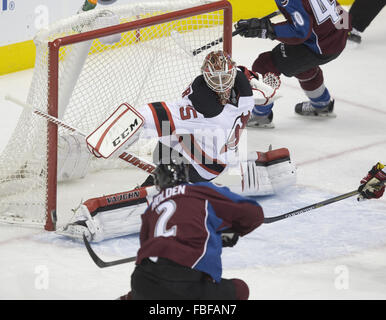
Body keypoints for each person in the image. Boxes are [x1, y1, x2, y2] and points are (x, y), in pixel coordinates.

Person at [57, 50, 296, 242]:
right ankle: (180, 181)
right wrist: (262, 82)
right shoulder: (247, 89)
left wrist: (110, 138)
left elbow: (151, 114)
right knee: (171, 142)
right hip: (224, 157)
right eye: (217, 79)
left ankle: (152, 192)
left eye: (225, 78)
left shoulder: (198, 108)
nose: (222, 85)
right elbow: (263, 89)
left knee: (167, 148)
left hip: (201, 166)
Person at [118, 160, 264, 300]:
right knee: (240, 289)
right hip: (185, 284)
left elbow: (145, 246)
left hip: (141, 280)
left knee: (150, 288)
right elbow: (254, 214)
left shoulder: (151, 208)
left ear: (158, 183)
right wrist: (233, 230)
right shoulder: (200, 191)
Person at [234, 0, 351, 128]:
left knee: (265, 65)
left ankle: (259, 116)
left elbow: (300, 31)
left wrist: (267, 29)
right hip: (337, 34)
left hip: (319, 44)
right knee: (300, 66)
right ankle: (321, 103)